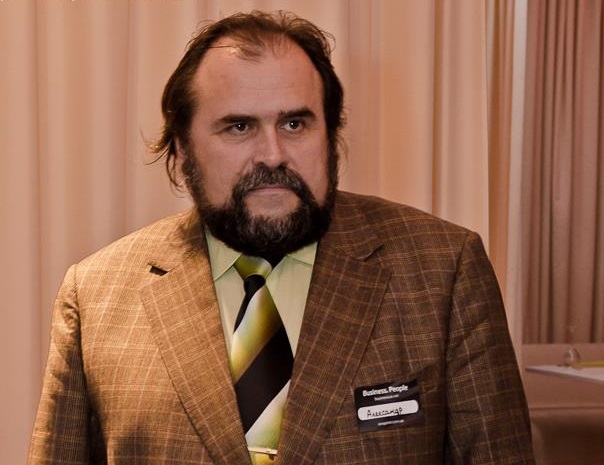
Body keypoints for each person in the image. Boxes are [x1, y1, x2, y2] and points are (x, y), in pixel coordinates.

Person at [28, 10, 535, 465]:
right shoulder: (96, 295)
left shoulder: (443, 271)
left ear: (330, 135)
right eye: (239, 127)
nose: (272, 155)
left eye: (295, 123)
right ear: (181, 150)